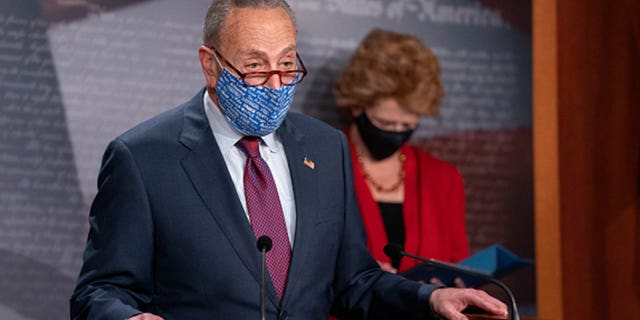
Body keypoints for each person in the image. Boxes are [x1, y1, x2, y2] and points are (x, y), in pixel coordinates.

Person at [69, 1, 507, 319]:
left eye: (286, 64)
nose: (275, 84)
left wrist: (429, 300)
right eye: (255, 67)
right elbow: (99, 291)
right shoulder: (143, 158)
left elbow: (354, 281)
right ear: (210, 65)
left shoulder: (325, 147)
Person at [333, 29, 469, 285]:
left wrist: (450, 287)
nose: (396, 134)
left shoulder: (443, 178)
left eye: (406, 126)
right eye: (385, 123)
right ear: (357, 105)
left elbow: (457, 265)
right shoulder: (321, 165)